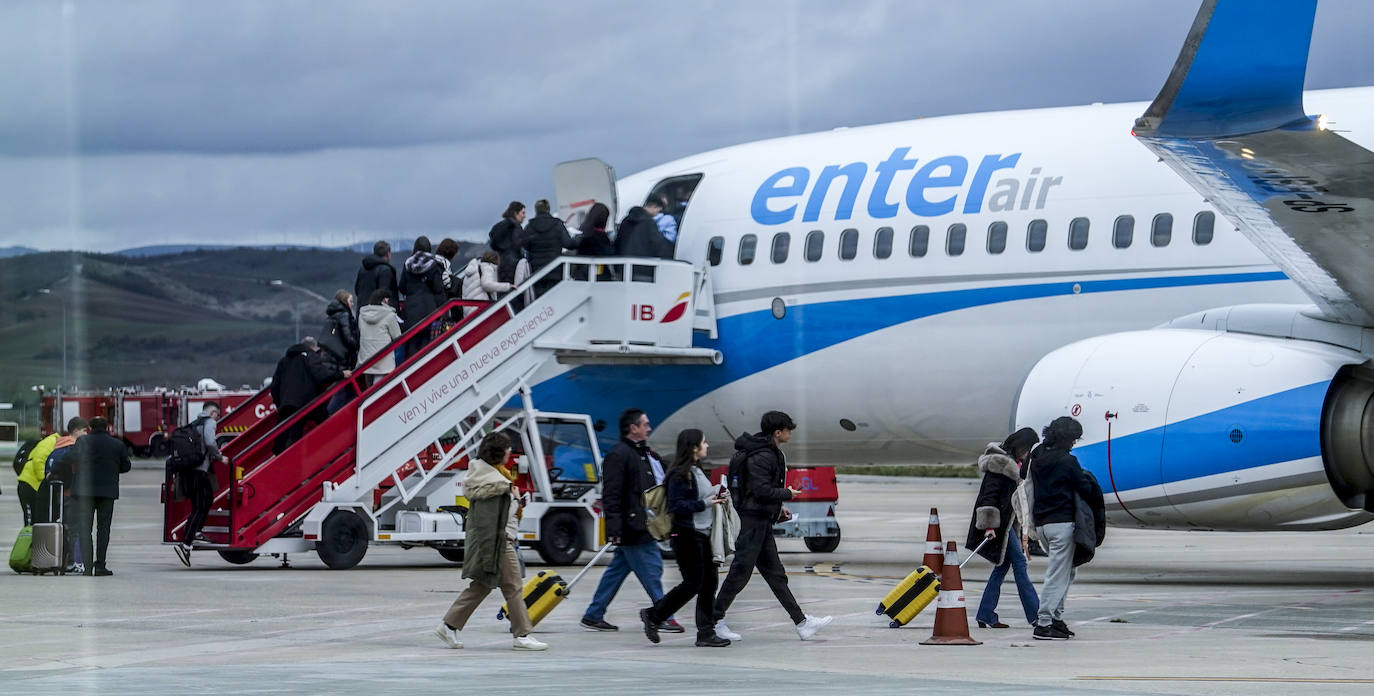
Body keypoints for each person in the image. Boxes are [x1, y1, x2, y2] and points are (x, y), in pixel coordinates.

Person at [712, 411, 832, 641]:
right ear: (778, 432)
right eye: (788, 430)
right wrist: (787, 493)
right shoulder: (763, 456)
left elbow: (758, 492)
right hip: (752, 522)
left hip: (761, 520)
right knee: (740, 573)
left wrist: (778, 509)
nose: (790, 434)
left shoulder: (766, 452)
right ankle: (713, 620)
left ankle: (802, 623)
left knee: (775, 575)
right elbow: (760, 491)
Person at [434, 431, 548, 651]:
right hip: (499, 542)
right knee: (513, 587)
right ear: (500, 453)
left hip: (498, 540)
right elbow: (488, 523)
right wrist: (513, 499)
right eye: (507, 448)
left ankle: (449, 625)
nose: (510, 452)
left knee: (482, 585)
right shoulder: (496, 484)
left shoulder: (490, 477)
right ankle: (522, 634)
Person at [581, 409, 681, 634]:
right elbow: (612, 495)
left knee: (616, 571)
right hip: (633, 525)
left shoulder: (642, 453)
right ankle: (664, 615)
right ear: (633, 428)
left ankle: (594, 614)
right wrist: (614, 527)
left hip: (640, 522)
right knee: (652, 569)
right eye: (645, 424)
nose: (649, 428)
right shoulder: (620, 455)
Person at [638, 429, 732, 648]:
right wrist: (708, 503)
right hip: (686, 535)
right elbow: (677, 505)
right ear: (693, 448)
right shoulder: (680, 474)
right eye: (704, 442)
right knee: (693, 583)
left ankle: (706, 633)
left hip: (702, 535)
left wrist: (717, 495)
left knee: (709, 583)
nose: (707, 446)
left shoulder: (695, 471)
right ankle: (654, 615)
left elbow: (700, 496)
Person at [965, 427, 1041, 629]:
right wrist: (989, 525)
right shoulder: (1000, 465)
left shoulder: (1014, 464)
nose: (1028, 454)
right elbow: (988, 497)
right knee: (1020, 567)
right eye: (1027, 450)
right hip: (1000, 527)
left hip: (1007, 527)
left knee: (1001, 568)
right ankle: (1036, 615)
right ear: (1021, 447)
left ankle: (986, 614)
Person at [1028, 416, 1091, 640]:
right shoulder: (1068, 461)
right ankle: (1044, 622)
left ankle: (1056, 617)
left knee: (1067, 571)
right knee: (1057, 574)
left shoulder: (1037, 455)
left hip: (1042, 524)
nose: (1074, 443)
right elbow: (1084, 488)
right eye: (1073, 439)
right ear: (1066, 438)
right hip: (1062, 523)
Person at [62, 417, 131, 577]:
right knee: (103, 529)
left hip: (85, 494)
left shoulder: (83, 441)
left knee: (85, 530)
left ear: (90, 427)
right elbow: (126, 466)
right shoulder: (117, 444)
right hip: (107, 493)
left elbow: (70, 458)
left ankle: (87, 567)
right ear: (107, 427)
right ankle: (100, 566)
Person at [270, 337, 348, 452]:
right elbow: (321, 374)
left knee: (289, 434)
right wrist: (341, 374)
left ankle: (284, 459)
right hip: (308, 403)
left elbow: (274, 387)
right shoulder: (310, 356)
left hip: (287, 404)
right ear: (313, 347)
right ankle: (336, 450)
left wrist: (280, 404)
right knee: (327, 424)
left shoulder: (284, 360)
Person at [174, 402, 229, 566]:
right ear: (212, 413)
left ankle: (196, 532)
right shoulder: (210, 423)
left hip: (189, 470)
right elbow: (211, 442)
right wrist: (220, 457)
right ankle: (186, 543)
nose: (218, 419)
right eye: (218, 415)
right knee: (200, 505)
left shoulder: (194, 423)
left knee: (206, 500)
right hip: (199, 470)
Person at [43, 417, 90, 572]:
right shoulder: (73, 447)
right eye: (84, 430)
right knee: (75, 529)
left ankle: (61, 560)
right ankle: (74, 562)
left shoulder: (56, 447)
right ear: (76, 430)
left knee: (64, 527)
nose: (86, 433)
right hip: (71, 494)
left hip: (58, 494)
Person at [399, 236, 446, 359]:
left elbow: (402, 287)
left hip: (411, 310)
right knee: (427, 346)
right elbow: (438, 289)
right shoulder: (435, 265)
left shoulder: (407, 264)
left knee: (412, 344)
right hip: (429, 310)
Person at [522, 199, 578, 297]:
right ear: (548, 209)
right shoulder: (557, 225)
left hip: (537, 272)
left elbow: (524, 245)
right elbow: (569, 244)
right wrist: (578, 238)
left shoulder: (530, 227)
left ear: (536, 210)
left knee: (540, 303)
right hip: (555, 271)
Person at [356, 289, 402, 388]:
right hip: (383, 361)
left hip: (366, 359)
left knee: (369, 389)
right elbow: (397, 336)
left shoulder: (362, 315)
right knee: (379, 390)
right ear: (385, 300)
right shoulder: (389, 315)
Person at [16, 428, 60, 526]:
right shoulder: (52, 441)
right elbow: (38, 460)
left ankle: (35, 540)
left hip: (33, 485)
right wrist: (45, 481)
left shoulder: (53, 442)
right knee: (30, 521)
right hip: (30, 484)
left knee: (36, 520)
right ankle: (28, 540)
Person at [460, 251, 513, 317]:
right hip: (480, 310)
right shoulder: (487, 268)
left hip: (469, 313)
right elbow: (487, 285)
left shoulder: (470, 272)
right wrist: (508, 286)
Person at [489, 202, 526, 285]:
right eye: (523, 213)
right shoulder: (515, 227)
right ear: (516, 213)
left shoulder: (501, 226)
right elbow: (519, 244)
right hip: (514, 264)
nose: (524, 216)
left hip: (501, 262)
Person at [354, 240, 398, 310]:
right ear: (388, 254)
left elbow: (356, 290)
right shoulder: (386, 270)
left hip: (362, 313)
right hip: (378, 315)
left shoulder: (362, 269)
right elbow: (384, 294)